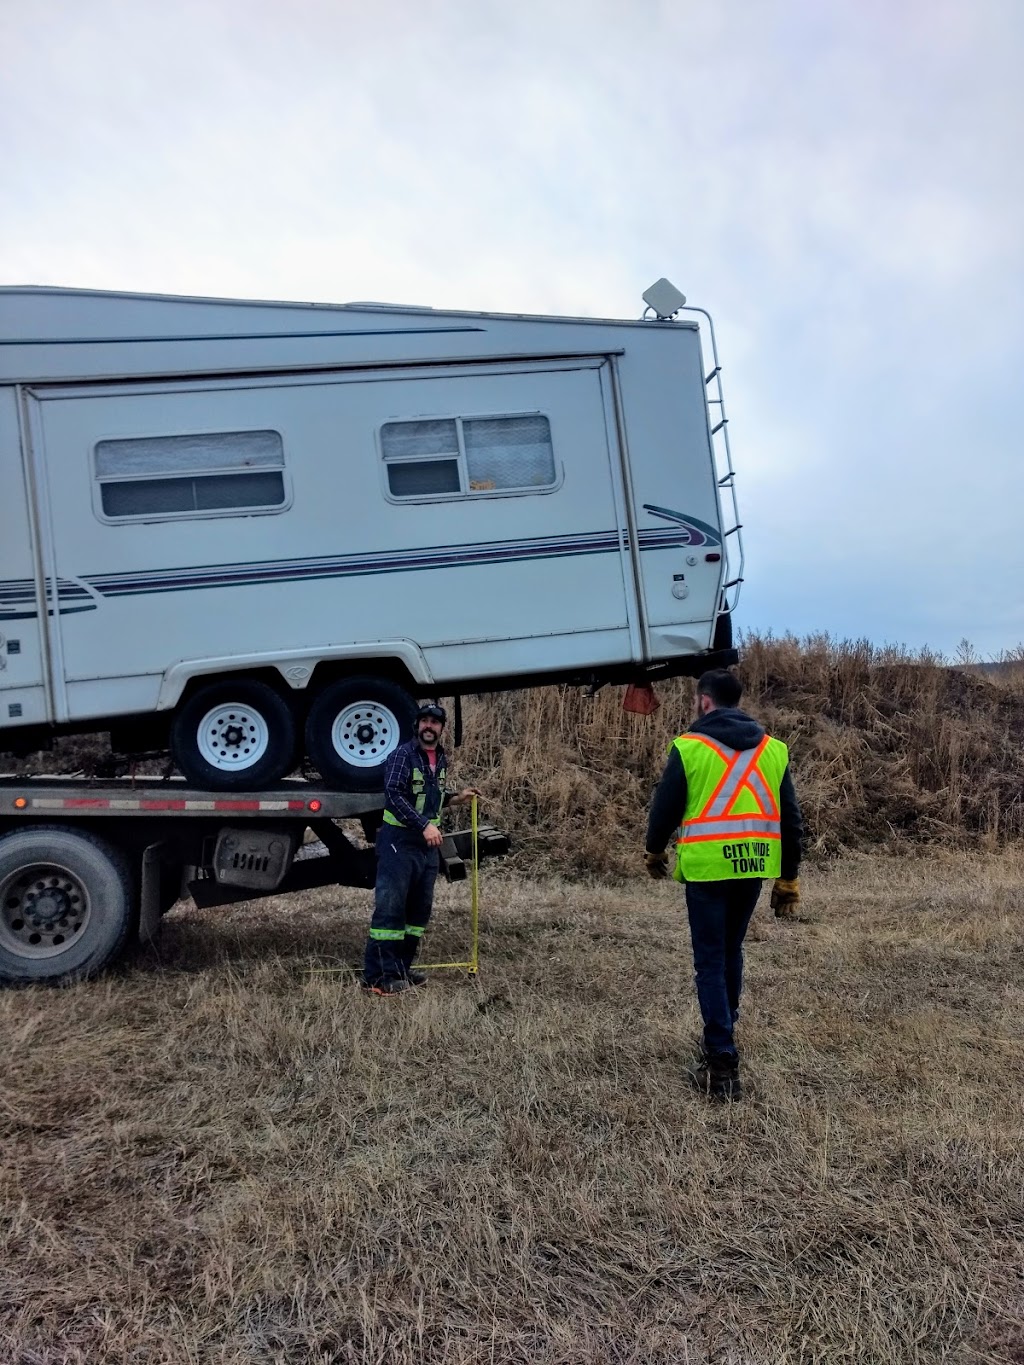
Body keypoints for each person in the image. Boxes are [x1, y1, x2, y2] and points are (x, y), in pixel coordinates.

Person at [644, 669, 803, 1100]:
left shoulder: (690, 747)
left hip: (708, 869)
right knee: (731, 951)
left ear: (705, 701)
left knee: (710, 960)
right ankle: (725, 1029)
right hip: (752, 868)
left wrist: (654, 850)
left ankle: (721, 1060)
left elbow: (665, 807)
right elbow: (791, 819)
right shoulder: (774, 750)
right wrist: (788, 876)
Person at [363, 701, 480, 996]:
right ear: (417, 726)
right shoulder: (402, 755)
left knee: (418, 911)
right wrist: (424, 826)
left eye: (435, 722)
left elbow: (429, 798)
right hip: (398, 842)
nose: (430, 726)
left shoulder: (439, 758)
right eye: (425, 721)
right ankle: (378, 977)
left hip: (426, 847)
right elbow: (394, 795)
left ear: (441, 728)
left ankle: (401, 968)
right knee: (391, 909)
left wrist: (455, 798)